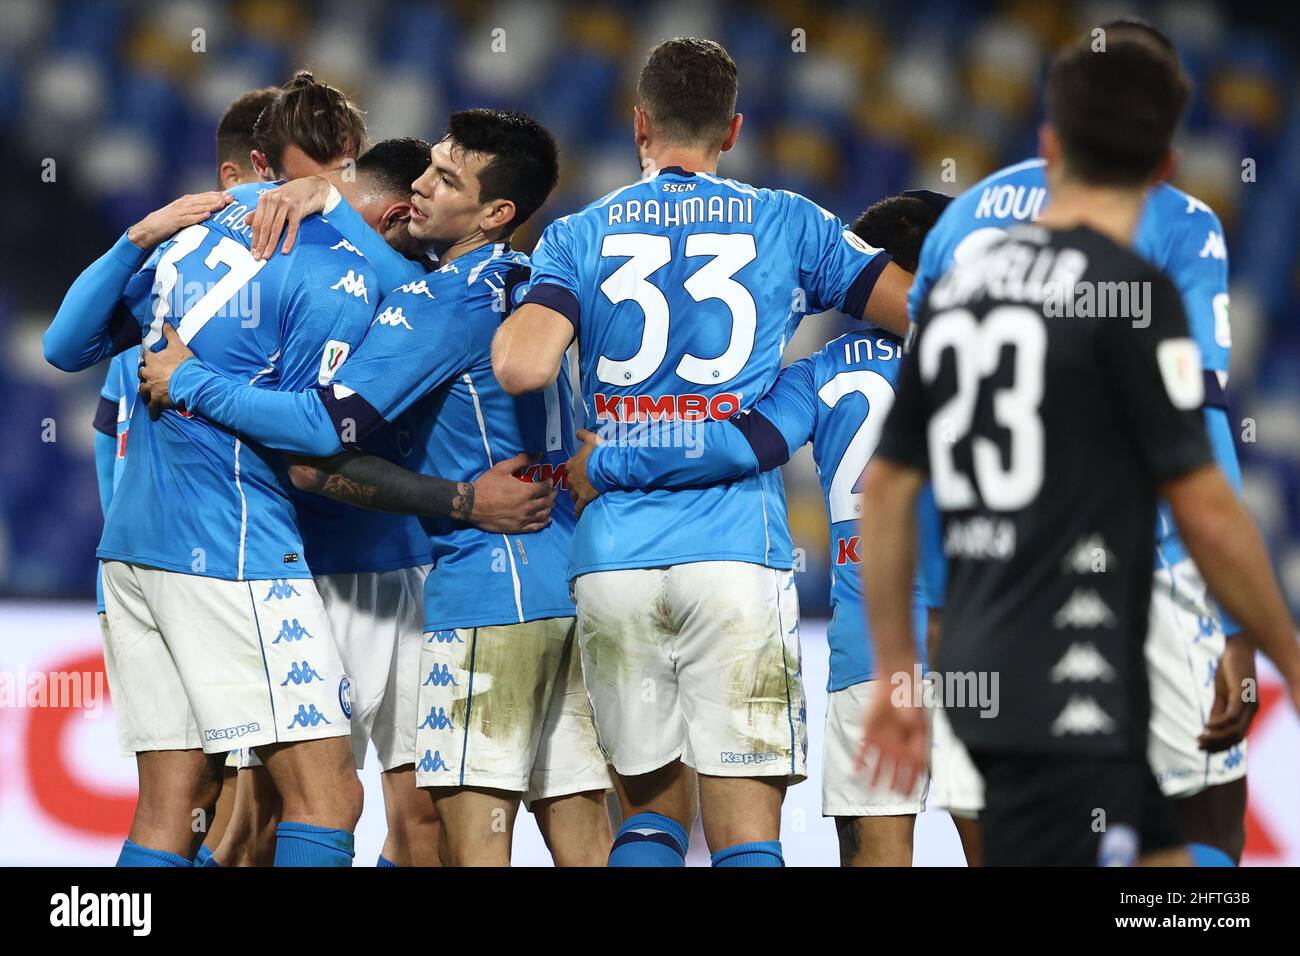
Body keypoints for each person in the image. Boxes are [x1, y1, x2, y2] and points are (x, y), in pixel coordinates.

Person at [857, 33, 1300, 867]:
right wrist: (1258, 637)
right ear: (1167, 158)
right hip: (1134, 594)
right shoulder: (1158, 256)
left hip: (985, 610)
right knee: (1198, 843)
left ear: (1049, 136)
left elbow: (894, 480)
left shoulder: (958, 242)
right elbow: (1201, 458)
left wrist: (918, 648)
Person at [139, 110, 614, 866]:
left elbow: (321, 431)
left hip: (483, 590)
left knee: (468, 839)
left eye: (446, 180)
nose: (420, 189)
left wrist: (190, 378)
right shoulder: (545, 284)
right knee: (583, 835)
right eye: (428, 167)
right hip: (569, 580)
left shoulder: (440, 301)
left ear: (496, 213)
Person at [490, 37, 913, 867]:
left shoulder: (579, 233)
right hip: (734, 554)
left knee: (649, 816)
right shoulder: (790, 221)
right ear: (735, 128)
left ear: (638, 123)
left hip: (611, 555)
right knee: (745, 831)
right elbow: (922, 312)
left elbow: (523, 364)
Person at [563, 192, 948, 865]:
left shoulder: (819, 373)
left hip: (875, 657)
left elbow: (738, 447)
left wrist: (613, 460)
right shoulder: (1007, 364)